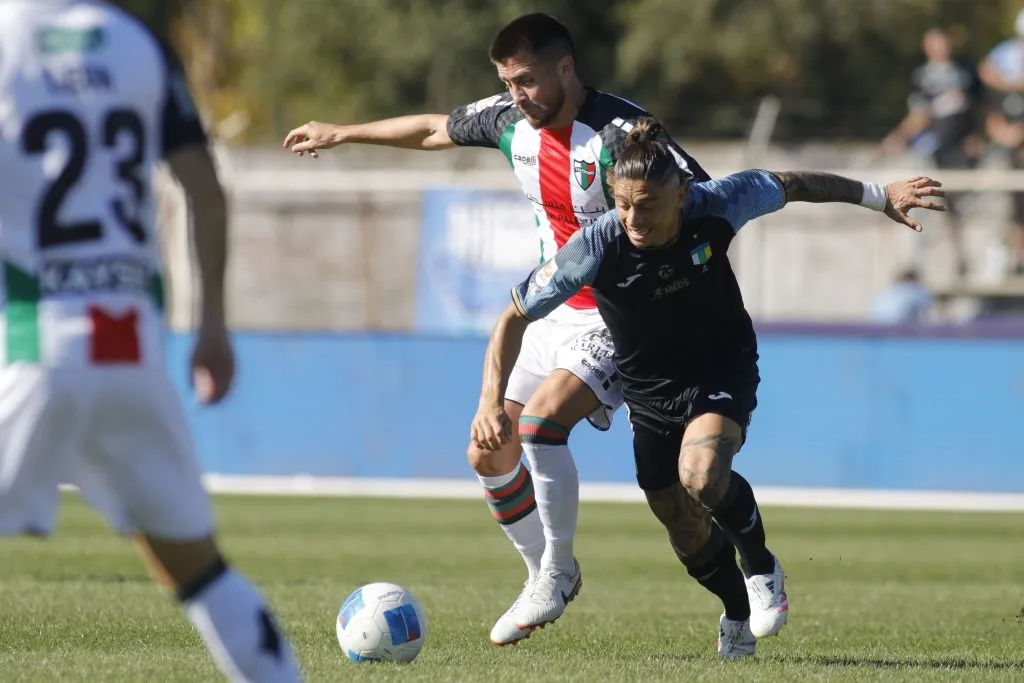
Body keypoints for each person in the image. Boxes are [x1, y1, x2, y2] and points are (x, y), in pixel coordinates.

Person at [283, 13, 783, 649]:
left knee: (542, 425)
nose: (515, 94)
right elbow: (434, 128)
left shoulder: (620, 132)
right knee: (489, 451)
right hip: (552, 310)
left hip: (614, 317)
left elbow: (696, 199)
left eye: (525, 81)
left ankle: (561, 571)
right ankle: (548, 571)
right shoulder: (509, 122)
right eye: (507, 83)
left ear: (566, 69)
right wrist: (342, 133)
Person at [471, 118, 944, 657]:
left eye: (647, 205)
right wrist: (491, 401)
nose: (633, 219)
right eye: (622, 205)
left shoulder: (716, 204)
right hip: (648, 392)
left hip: (720, 369)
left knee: (700, 474)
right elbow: (514, 314)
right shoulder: (595, 246)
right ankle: (736, 610)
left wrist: (879, 195)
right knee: (682, 525)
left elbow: (793, 184)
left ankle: (761, 568)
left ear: (680, 194)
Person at [0, 2, 302, 681]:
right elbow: (205, 189)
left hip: (34, 345)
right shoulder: (134, 43)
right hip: (133, 350)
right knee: (199, 571)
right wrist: (213, 325)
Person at [882, 27, 981, 279]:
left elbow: (980, 108)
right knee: (921, 206)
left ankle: (962, 262)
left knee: (960, 210)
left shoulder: (967, 71)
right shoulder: (922, 77)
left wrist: (977, 135)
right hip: (930, 153)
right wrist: (899, 136)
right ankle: (914, 266)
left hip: (959, 153)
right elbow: (919, 114)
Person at [980, 10, 1024, 276]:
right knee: (1006, 210)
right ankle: (1003, 259)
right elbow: (994, 122)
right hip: (1005, 160)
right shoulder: (1004, 91)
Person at [868, 268, 935, 324]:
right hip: (897, 328)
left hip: (874, 326)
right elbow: (929, 301)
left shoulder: (889, 290)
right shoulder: (914, 289)